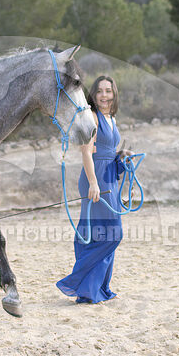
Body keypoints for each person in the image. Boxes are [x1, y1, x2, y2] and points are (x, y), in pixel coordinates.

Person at [56, 75, 133, 304]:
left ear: (114, 93)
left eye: (108, 91)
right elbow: (86, 152)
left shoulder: (112, 118)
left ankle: (96, 289)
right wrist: (93, 183)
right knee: (111, 233)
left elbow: (108, 149)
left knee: (105, 233)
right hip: (96, 177)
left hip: (110, 176)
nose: (104, 95)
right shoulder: (92, 117)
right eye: (100, 91)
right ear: (94, 94)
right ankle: (76, 282)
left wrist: (122, 158)